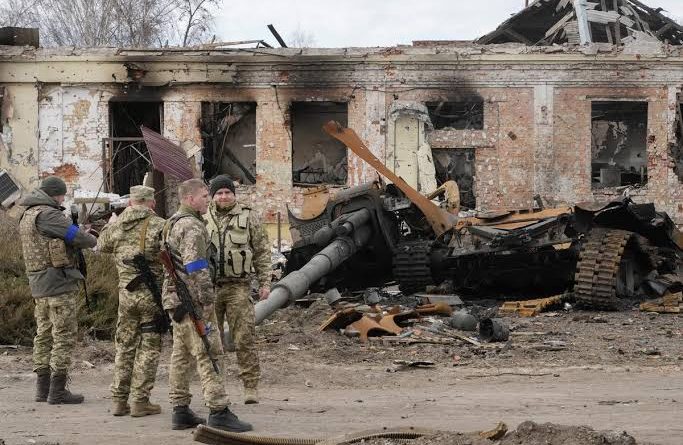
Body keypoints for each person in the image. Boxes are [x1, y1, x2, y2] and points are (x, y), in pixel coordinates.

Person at [162, 178, 252, 432]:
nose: (208, 200)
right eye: (204, 196)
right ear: (190, 198)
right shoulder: (192, 226)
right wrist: (207, 300)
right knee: (209, 352)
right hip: (192, 301)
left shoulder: (172, 222)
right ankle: (218, 410)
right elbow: (196, 267)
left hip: (175, 299)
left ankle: (180, 409)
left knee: (181, 355)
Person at [17, 175, 97, 404]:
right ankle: (58, 390)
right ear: (55, 194)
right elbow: (76, 237)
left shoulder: (28, 214)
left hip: (39, 285)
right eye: (62, 195)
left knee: (43, 335)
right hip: (58, 284)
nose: (63, 199)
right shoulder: (49, 214)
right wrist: (91, 238)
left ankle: (42, 389)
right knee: (63, 335)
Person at [97, 185, 166, 417]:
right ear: (152, 203)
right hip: (151, 297)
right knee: (149, 347)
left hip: (126, 296)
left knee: (125, 346)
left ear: (130, 203)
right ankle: (140, 401)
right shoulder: (160, 225)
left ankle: (118, 401)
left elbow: (101, 245)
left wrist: (111, 223)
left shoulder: (116, 226)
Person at [205, 175, 270, 404]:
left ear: (234, 194)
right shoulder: (202, 217)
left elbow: (261, 251)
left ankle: (250, 387)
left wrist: (265, 282)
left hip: (238, 288)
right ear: (212, 196)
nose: (224, 197)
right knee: (211, 341)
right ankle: (215, 388)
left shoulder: (248, 216)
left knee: (244, 338)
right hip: (209, 289)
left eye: (227, 193)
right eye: (219, 193)